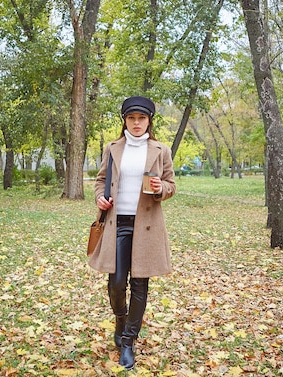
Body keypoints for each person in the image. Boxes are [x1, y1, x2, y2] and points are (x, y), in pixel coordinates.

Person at [89, 95, 176, 370]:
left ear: (149, 121)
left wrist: (162, 188)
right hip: (117, 223)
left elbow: (171, 183)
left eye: (142, 118)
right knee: (116, 283)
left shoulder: (160, 150)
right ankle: (120, 318)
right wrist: (99, 199)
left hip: (146, 225)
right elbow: (101, 180)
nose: (136, 123)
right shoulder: (113, 148)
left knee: (139, 284)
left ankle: (128, 341)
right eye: (131, 118)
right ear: (125, 120)